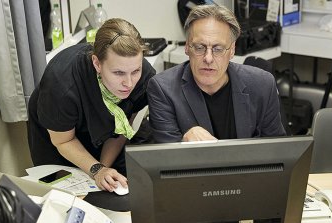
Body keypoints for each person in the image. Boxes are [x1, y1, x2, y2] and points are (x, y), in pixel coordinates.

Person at [28, 18, 155, 193]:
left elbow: (121, 128)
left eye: (135, 71)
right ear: (97, 63)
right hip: (60, 140)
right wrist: (97, 170)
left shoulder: (143, 76)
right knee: (65, 196)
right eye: (118, 73)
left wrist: (102, 169)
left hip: (106, 137)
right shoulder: (61, 85)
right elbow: (63, 140)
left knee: (109, 190)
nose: (129, 83)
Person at [147, 4, 286, 143]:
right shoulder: (163, 89)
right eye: (199, 47)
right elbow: (166, 159)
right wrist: (183, 142)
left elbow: (277, 151)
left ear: (232, 50)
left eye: (218, 49)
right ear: (187, 47)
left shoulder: (263, 84)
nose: (208, 58)